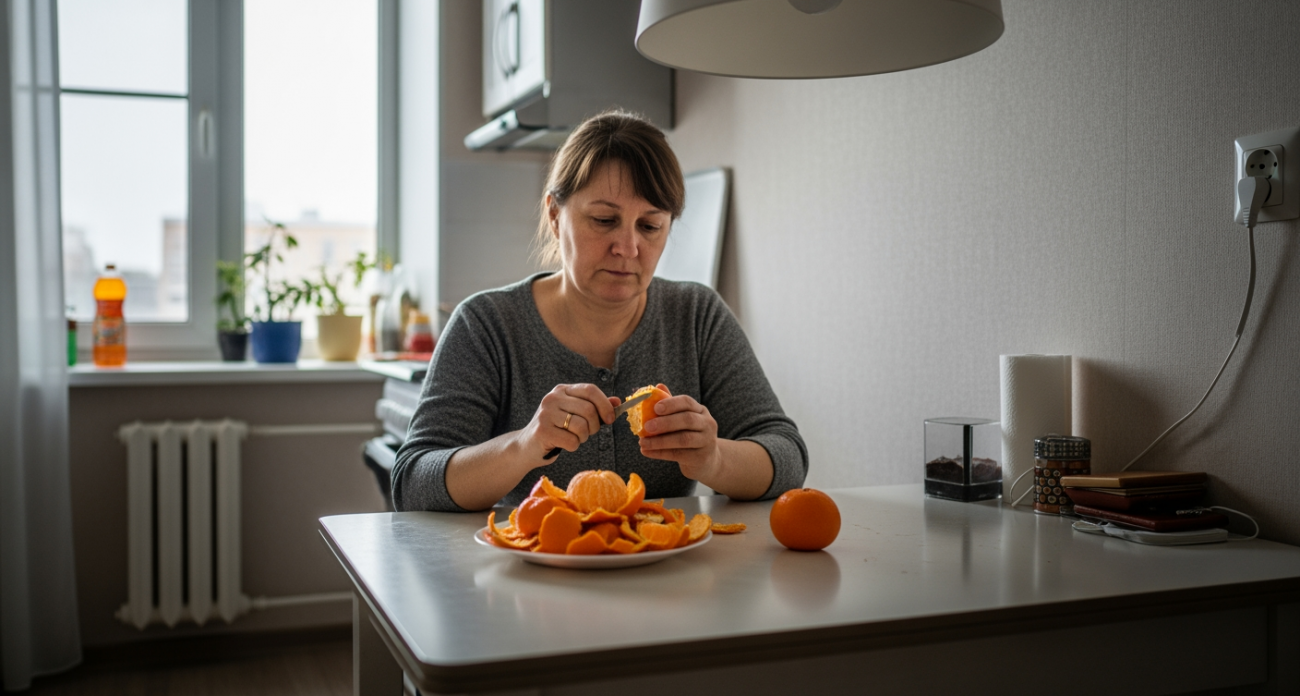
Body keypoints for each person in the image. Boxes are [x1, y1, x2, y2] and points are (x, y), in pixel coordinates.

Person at [392, 110, 807, 512]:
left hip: (665, 561)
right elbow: (412, 483)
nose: (627, 248)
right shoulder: (486, 325)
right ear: (555, 216)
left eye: (649, 226)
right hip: (533, 559)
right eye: (604, 220)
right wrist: (525, 444)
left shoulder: (697, 317)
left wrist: (714, 458)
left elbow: (787, 457)